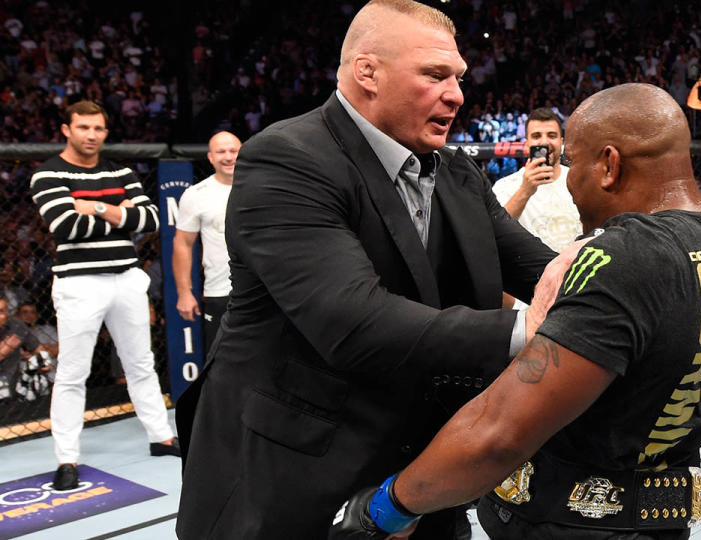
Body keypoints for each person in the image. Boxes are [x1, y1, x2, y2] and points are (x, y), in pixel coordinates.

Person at [330, 83, 701, 540]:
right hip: (663, 520)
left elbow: (498, 432)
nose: (567, 178)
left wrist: (385, 508)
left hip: (564, 526)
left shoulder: (625, 256)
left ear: (609, 165)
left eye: (571, 161)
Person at [175, 1, 555, 537]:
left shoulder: (456, 171)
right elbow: (354, 322)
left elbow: (538, 268)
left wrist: (630, 270)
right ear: (367, 72)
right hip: (293, 473)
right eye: (434, 74)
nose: (457, 94)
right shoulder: (287, 158)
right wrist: (528, 329)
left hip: (418, 475)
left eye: (459, 77)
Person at [29, 100, 180, 492]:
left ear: (106, 131)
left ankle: (161, 436)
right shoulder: (48, 173)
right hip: (79, 282)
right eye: (83, 128)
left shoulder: (120, 170)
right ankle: (67, 458)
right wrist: (119, 211)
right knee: (72, 373)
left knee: (141, 363)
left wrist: (94, 206)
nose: (91, 135)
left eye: (98, 128)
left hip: (127, 277)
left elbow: (149, 219)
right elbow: (65, 227)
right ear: (66, 129)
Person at [172, 131, 242, 351]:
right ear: (210, 157)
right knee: (220, 361)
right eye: (221, 152)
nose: (228, 157)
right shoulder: (196, 195)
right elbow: (183, 244)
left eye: (233, 151)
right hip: (220, 291)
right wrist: (184, 292)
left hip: (266, 289)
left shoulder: (265, 187)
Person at [491, 108, 581, 253]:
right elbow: (494, 234)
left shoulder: (580, 180)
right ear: (527, 143)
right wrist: (525, 191)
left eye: (552, 136)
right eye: (537, 136)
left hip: (576, 271)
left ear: (561, 142)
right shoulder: (505, 187)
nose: (544, 142)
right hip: (531, 272)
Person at [0, 296, 40, 401]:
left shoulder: (15, 325)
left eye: (3, 311)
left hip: (14, 385)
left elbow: (39, 349)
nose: (1, 316)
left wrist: (36, 358)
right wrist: (4, 350)